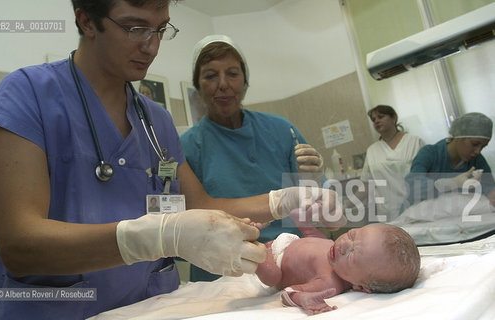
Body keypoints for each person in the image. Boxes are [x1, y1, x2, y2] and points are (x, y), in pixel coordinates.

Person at [0, 1, 345, 319]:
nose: (152, 45)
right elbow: (19, 244)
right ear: (86, 20)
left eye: (161, 29)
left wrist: (281, 201)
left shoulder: (155, 121)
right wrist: (162, 237)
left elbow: (202, 204)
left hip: (150, 306)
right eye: (135, 28)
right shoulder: (27, 95)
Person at [180, 34, 326, 281]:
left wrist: (314, 179)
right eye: (211, 75)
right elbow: (191, 215)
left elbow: (315, 210)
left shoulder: (282, 131)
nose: (223, 84)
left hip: (288, 259)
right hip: (219, 271)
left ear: (245, 81)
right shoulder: (186, 147)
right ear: (198, 86)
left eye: (233, 74)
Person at [255, 218, 420, 315]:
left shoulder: (330, 282)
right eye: (351, 234)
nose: (343, 245)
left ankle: (252, 246)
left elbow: (288, 292)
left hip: (274, 262)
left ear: (361, 287)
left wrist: (303, 298)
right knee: (325, 240)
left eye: (352, 255)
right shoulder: (335, 251)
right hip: (288, 241)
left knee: (272, 277)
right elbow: (315, 242)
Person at [346, 105, 425, 222]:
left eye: (381, 116)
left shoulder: (414, 142)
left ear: (394, 118)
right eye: (373, 120)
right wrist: (346, 205)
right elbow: (367, 185)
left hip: (416, 209)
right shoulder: (372, 150)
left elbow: (428, 177)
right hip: (388, 214)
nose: (376, 121)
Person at [403, 112, 495, 210]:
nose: (478, 151)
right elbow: (414, 186)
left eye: (483, 147)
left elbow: (487, 185)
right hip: (418, 215)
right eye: (475, 144)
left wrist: (491, 193)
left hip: (454, 216)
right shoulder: (429, 153)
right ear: (458, 135)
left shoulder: (477, 160)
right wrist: (449, 183)